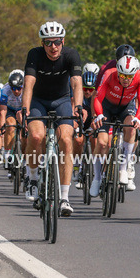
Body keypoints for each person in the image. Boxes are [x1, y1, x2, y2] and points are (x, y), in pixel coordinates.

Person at [20, 21, 83, 217]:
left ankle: (64, 197)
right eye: (48, 43)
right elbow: (28, 84)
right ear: (42, 43)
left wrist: (79, 107)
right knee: (37, 136)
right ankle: (31, 177)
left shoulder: (71, 55)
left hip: (61, 100)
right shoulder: (35, 54)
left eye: (56, 42)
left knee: (66, 138)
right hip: (38, 101)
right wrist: (25, 108)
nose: (53, 47)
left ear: (62, 41)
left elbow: (76, 83)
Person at [91, 54, 140, 196]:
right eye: (122, 75)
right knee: (101, 144)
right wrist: (100, 114)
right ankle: (96, 178)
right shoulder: (109, 74)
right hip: (107, 107)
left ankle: (123, 168)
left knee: (131, 129)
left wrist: (138, 119)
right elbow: (97, 98)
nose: (125, 79)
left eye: (129, 76)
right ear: (117, 72)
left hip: (126, 108)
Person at [0, 70, 25, 170]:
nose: (16, 91)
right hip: (10, 109)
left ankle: (24, 156)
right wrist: (2, 126)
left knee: (24, 131)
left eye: (19, 88)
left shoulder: (28, 88)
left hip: (23, 109)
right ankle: (7, 155)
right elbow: (3, 111)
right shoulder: (5, 90)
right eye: (14, 88)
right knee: (10, 125)